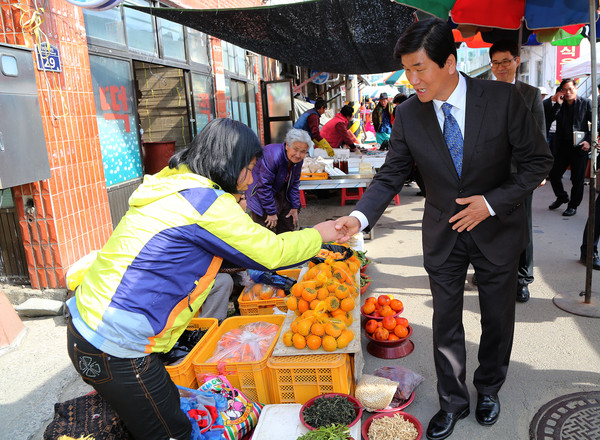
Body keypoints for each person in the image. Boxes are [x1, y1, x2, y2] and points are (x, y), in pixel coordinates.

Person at [334, 18, 552, 440]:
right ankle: (452, 401)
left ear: (449, 62)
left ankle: (489, 388)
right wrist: (358, 218)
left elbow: (537, 163)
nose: (412, 79)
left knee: (497, 319)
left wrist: (490, 203)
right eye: (407, 70)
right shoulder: (408, 114)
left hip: (497, 231)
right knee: (446, 322)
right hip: (442, 233)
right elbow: (391, 173)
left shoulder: (504, 100)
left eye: (420, 69)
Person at [65, 118, 346, 440]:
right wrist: (318, 234)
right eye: (250, 167)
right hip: (116, 343)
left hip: (94, 326)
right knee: (172, 432)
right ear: (231, 162)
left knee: (163, 412)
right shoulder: (203, 203)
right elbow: (271, 252)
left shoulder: (175, 185)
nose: (253, 176)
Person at [489, 39, 547, 303]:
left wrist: (539, 171)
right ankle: (490, 270)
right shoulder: (482, 93)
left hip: (520, 174)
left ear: (516, 61)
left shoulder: (531, 94)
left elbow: (540, 135)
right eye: (496, 63)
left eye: (505, 61)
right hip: (486, 172)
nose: (501, 67)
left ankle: (523, 279)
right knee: (489, 225)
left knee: (522, 225)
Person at [246, 128, 310, 233]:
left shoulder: (298, 160)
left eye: (303, 151)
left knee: (287, 229)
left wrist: (294, 206)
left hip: (280, 190)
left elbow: (294, 184)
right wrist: (271, 212)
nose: (298, 155)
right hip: (260, 192)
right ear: (287, 146)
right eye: (295, 149)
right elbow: (263, 186)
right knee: (267, 232)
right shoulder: (273, 155)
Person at [547, 78, 593, 217]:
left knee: (577, 179)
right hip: (561, 147)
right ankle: (562, 197)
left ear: (576, 89)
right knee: (554, 175)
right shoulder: (560, 104)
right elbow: (548, 118)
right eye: (565, 90)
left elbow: (596, 124)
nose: (568, 92)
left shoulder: (585, 103)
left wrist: (588, 141)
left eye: (570, 89)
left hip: (579, 147)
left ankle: (573, 205)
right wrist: (555, 102)